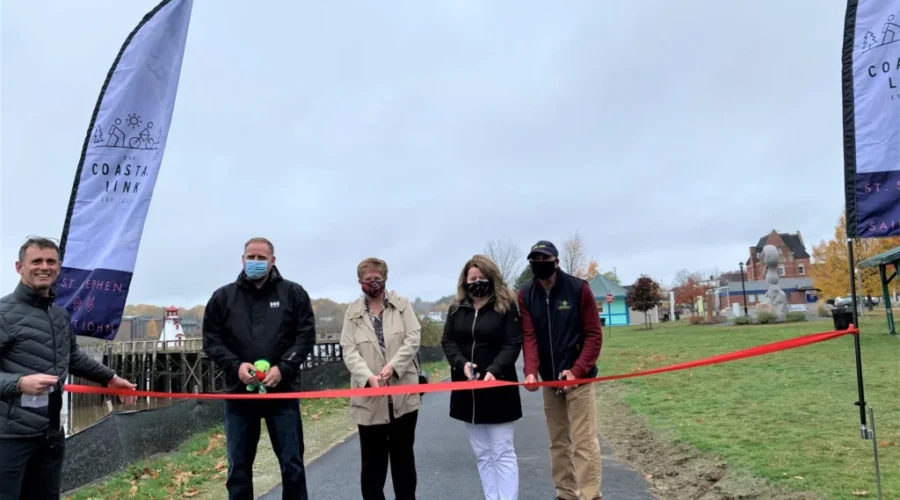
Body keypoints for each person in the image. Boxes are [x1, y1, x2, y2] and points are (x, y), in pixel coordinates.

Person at [0, 236, 136, 500]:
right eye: (36, 261)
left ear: (59, 268)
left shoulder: (59, 315)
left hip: (50, 433)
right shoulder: (3, 314)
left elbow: (73, 357)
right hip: (9, 436)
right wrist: (18, 384)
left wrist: (110, 378)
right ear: (19, 267)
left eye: (51, 261)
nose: (44, 267)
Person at [202, 237, 316, 500]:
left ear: (272, 261)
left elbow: (305, 336)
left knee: (292, 465)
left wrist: (284, 368)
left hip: (282, 394)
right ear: (242, 259)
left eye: (261, 258)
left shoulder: (293, 293)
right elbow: (211, 341)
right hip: (239, 395)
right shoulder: (222, 297)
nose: (255, 262)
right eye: (250, 257)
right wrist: (235, 366)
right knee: (238, 468)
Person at [517, 240, 604, 500]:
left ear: (556, 262)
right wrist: (531, 370)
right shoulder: (525, 294)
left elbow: (593, 336)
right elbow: (529, 336)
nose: (539, 265)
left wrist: (577, 371)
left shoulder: (578, 289)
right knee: (558, 441)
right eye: (535, 261)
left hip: (579, 379)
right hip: (549, 382)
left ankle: (590, 495)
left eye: (544, 260)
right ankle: (565, 493)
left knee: (583, 441)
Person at [441, 254, 523, 500]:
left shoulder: (506, 306)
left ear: (491, 278)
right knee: (483, 454)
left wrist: (494, 369)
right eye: (472, 278)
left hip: (498, 388)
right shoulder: (457, 309)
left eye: (481, 277)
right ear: (464, 282)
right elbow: (448, 341)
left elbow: (513, 343)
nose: (476, 282)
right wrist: (462, 364)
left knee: (502, 451)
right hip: (468, 391)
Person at [340, 257, 422, 500]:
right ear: (359, 282)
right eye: (367, 280)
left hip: (403, 396)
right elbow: (348, 349)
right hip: (369, 399)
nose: (373, 284)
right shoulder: (352, 312)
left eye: (377, 279)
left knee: (403, 459)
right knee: (372, 464)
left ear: (385, 279)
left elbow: (413, 338)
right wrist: (367, 377)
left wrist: (394, 367)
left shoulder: (402, 305)